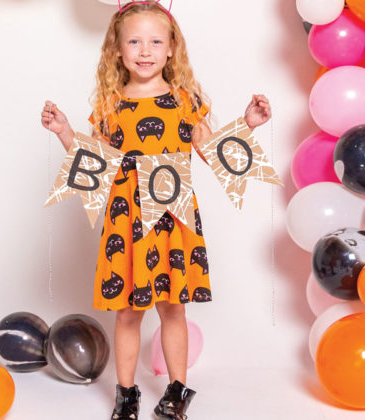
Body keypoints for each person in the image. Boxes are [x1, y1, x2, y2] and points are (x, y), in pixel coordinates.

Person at [41, 2, 271, 419]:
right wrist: (64, 132)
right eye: (134, 41)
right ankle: (125, 394)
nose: (144, 50)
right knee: (129, 310)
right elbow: (95, 163)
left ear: (171, 50)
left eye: (155, 41)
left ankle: (178, 391)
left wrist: (248, 123)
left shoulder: (184, 100)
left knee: (172, 307)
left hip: (170, 217)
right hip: (127, 219)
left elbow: (213, 152)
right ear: (117, 50)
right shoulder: (111, 105)